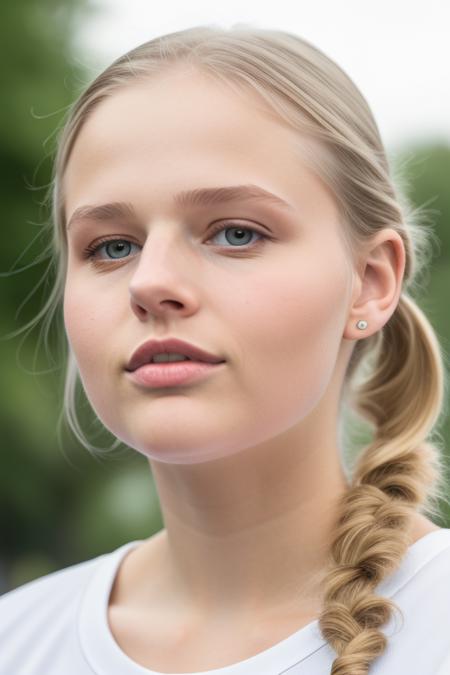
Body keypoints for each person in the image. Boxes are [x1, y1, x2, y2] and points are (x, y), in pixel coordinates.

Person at [1, 23, 449, 675]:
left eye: (235, 232)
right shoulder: (16, 641)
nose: (150, 281)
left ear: (370, 283)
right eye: (112, 246)